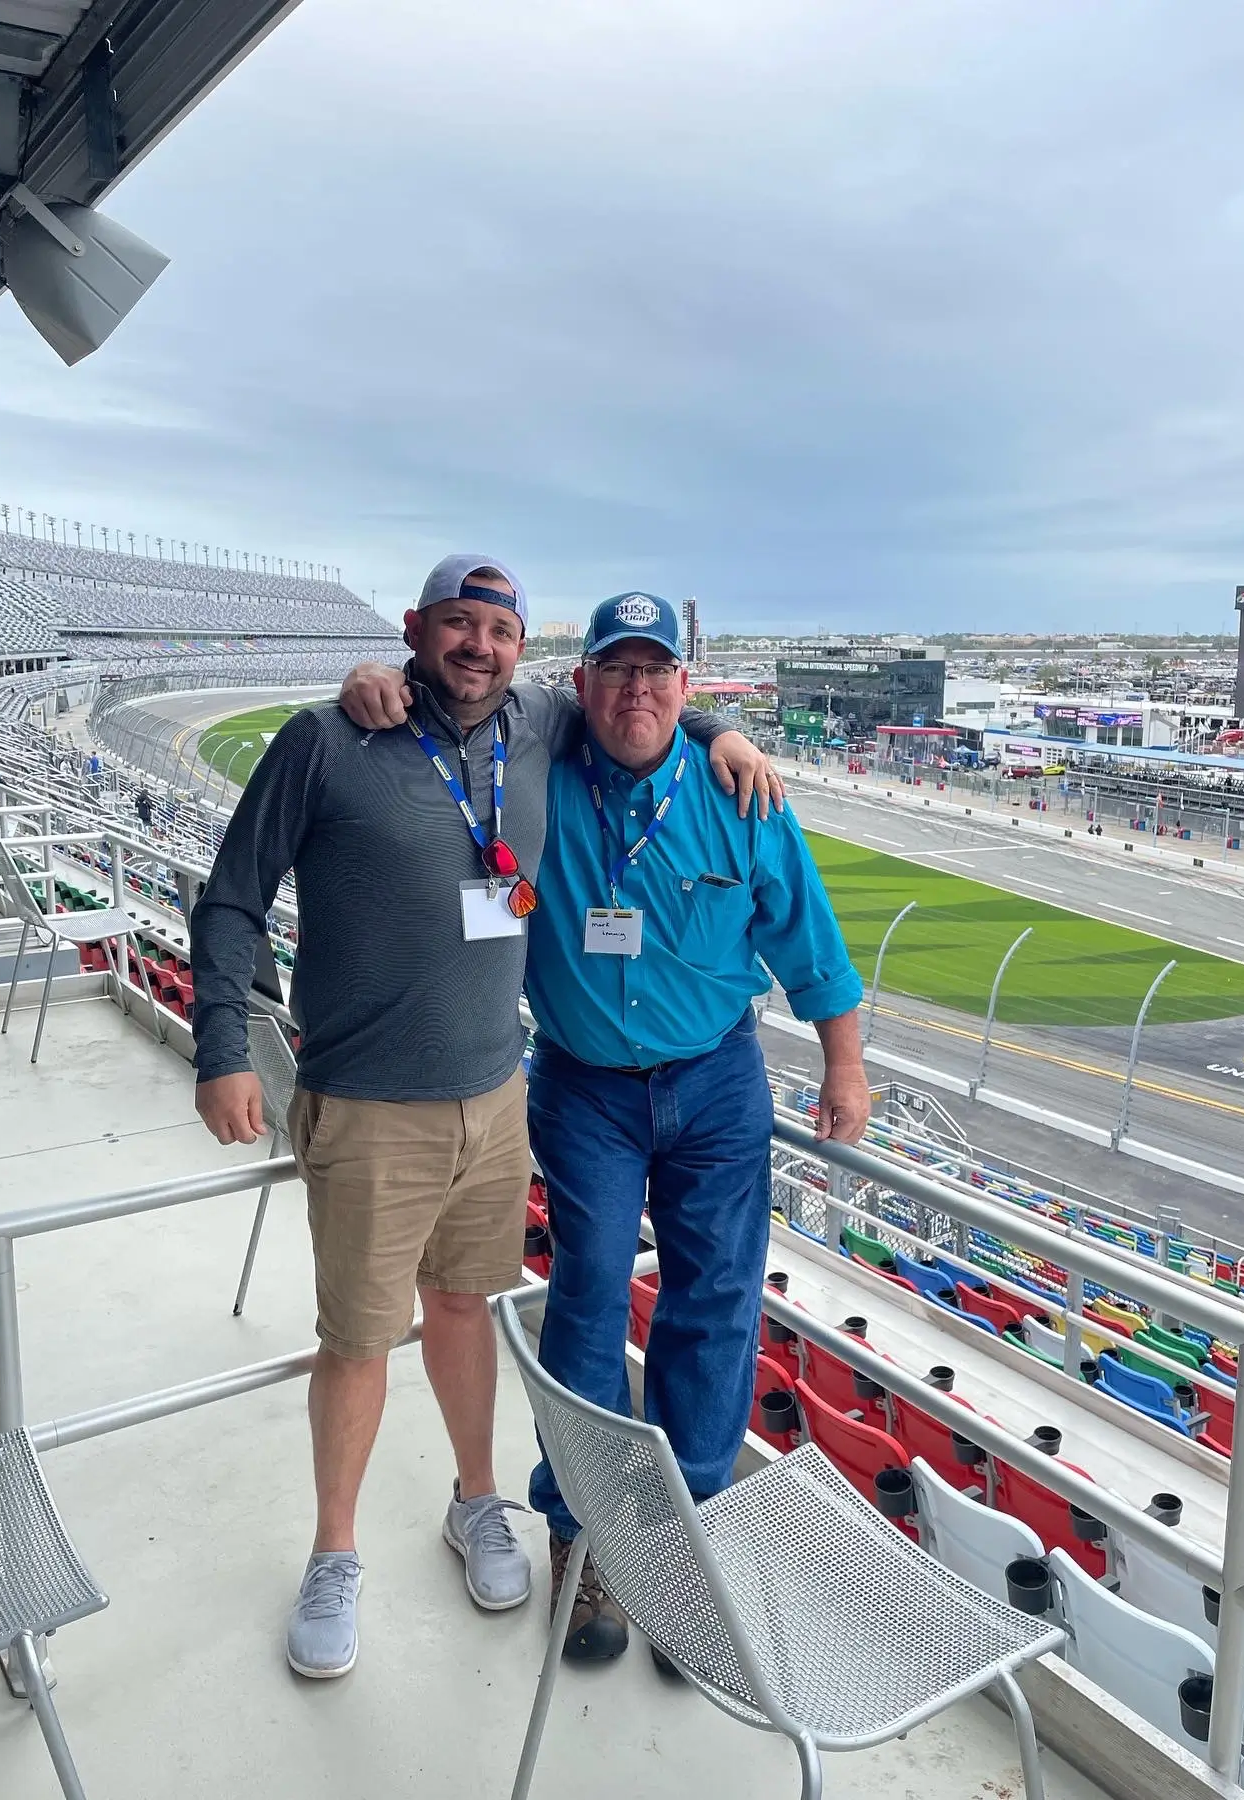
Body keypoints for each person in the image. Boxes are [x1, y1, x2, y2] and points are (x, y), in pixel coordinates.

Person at [193, 555, 777, 1682]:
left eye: (497, 630)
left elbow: (640, 692)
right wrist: (224, 1045)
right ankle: (334, 1553)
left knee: (467, 1310)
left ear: (522, 648)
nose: (477, 646)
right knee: (359, 1344)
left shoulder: (542, 721)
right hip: (369, 1103)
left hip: (499, 1093)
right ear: (415, 630)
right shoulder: (329, 737)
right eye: (455, 625)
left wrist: (718, 734)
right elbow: (232, 894)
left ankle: (478, 1502)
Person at [341, 592, 868, 1668]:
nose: (637, 690)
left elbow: (808, 940)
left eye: (658, 673)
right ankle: (585, 1542)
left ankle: (687, 1541)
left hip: (717, 1080)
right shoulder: (533, 780)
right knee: (583, 1300)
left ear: (687, 688)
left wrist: (846, 1064)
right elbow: (454, 707)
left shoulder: (741, 794)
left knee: (715, 1303)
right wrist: (362, 686)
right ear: (580, 686)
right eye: (615, 670)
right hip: (583, 1087)